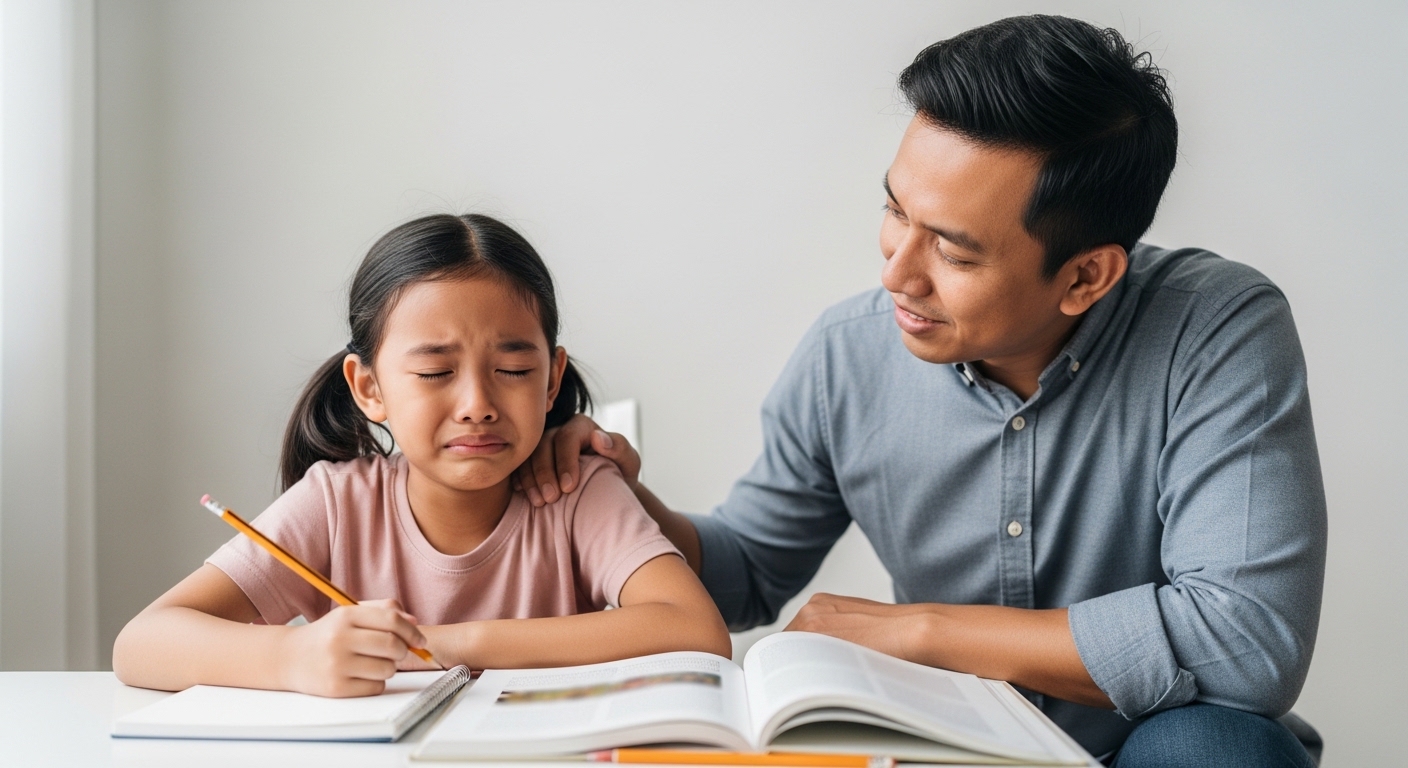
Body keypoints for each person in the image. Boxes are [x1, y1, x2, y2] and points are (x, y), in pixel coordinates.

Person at [518, 16, 1325, 767]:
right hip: (940, 741)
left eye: (954, 252)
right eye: (895, 211)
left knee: (1213, 746)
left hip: (1150, 742)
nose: (896, 272)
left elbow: (1247, 645)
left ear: (1086, 276)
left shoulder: (1216, 329)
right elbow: (748, 571)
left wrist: (920, 630)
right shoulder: (847, 355)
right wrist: (622, 496)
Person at [113, 213, 730, 697]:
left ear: (551, 379)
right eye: (436, 372)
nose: (478, 404)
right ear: (369, 388)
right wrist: (292, 657)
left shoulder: (576, 488)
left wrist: (446, 644)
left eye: (513, 369)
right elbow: (142, 643)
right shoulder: (336, 503)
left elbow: (695, 629)